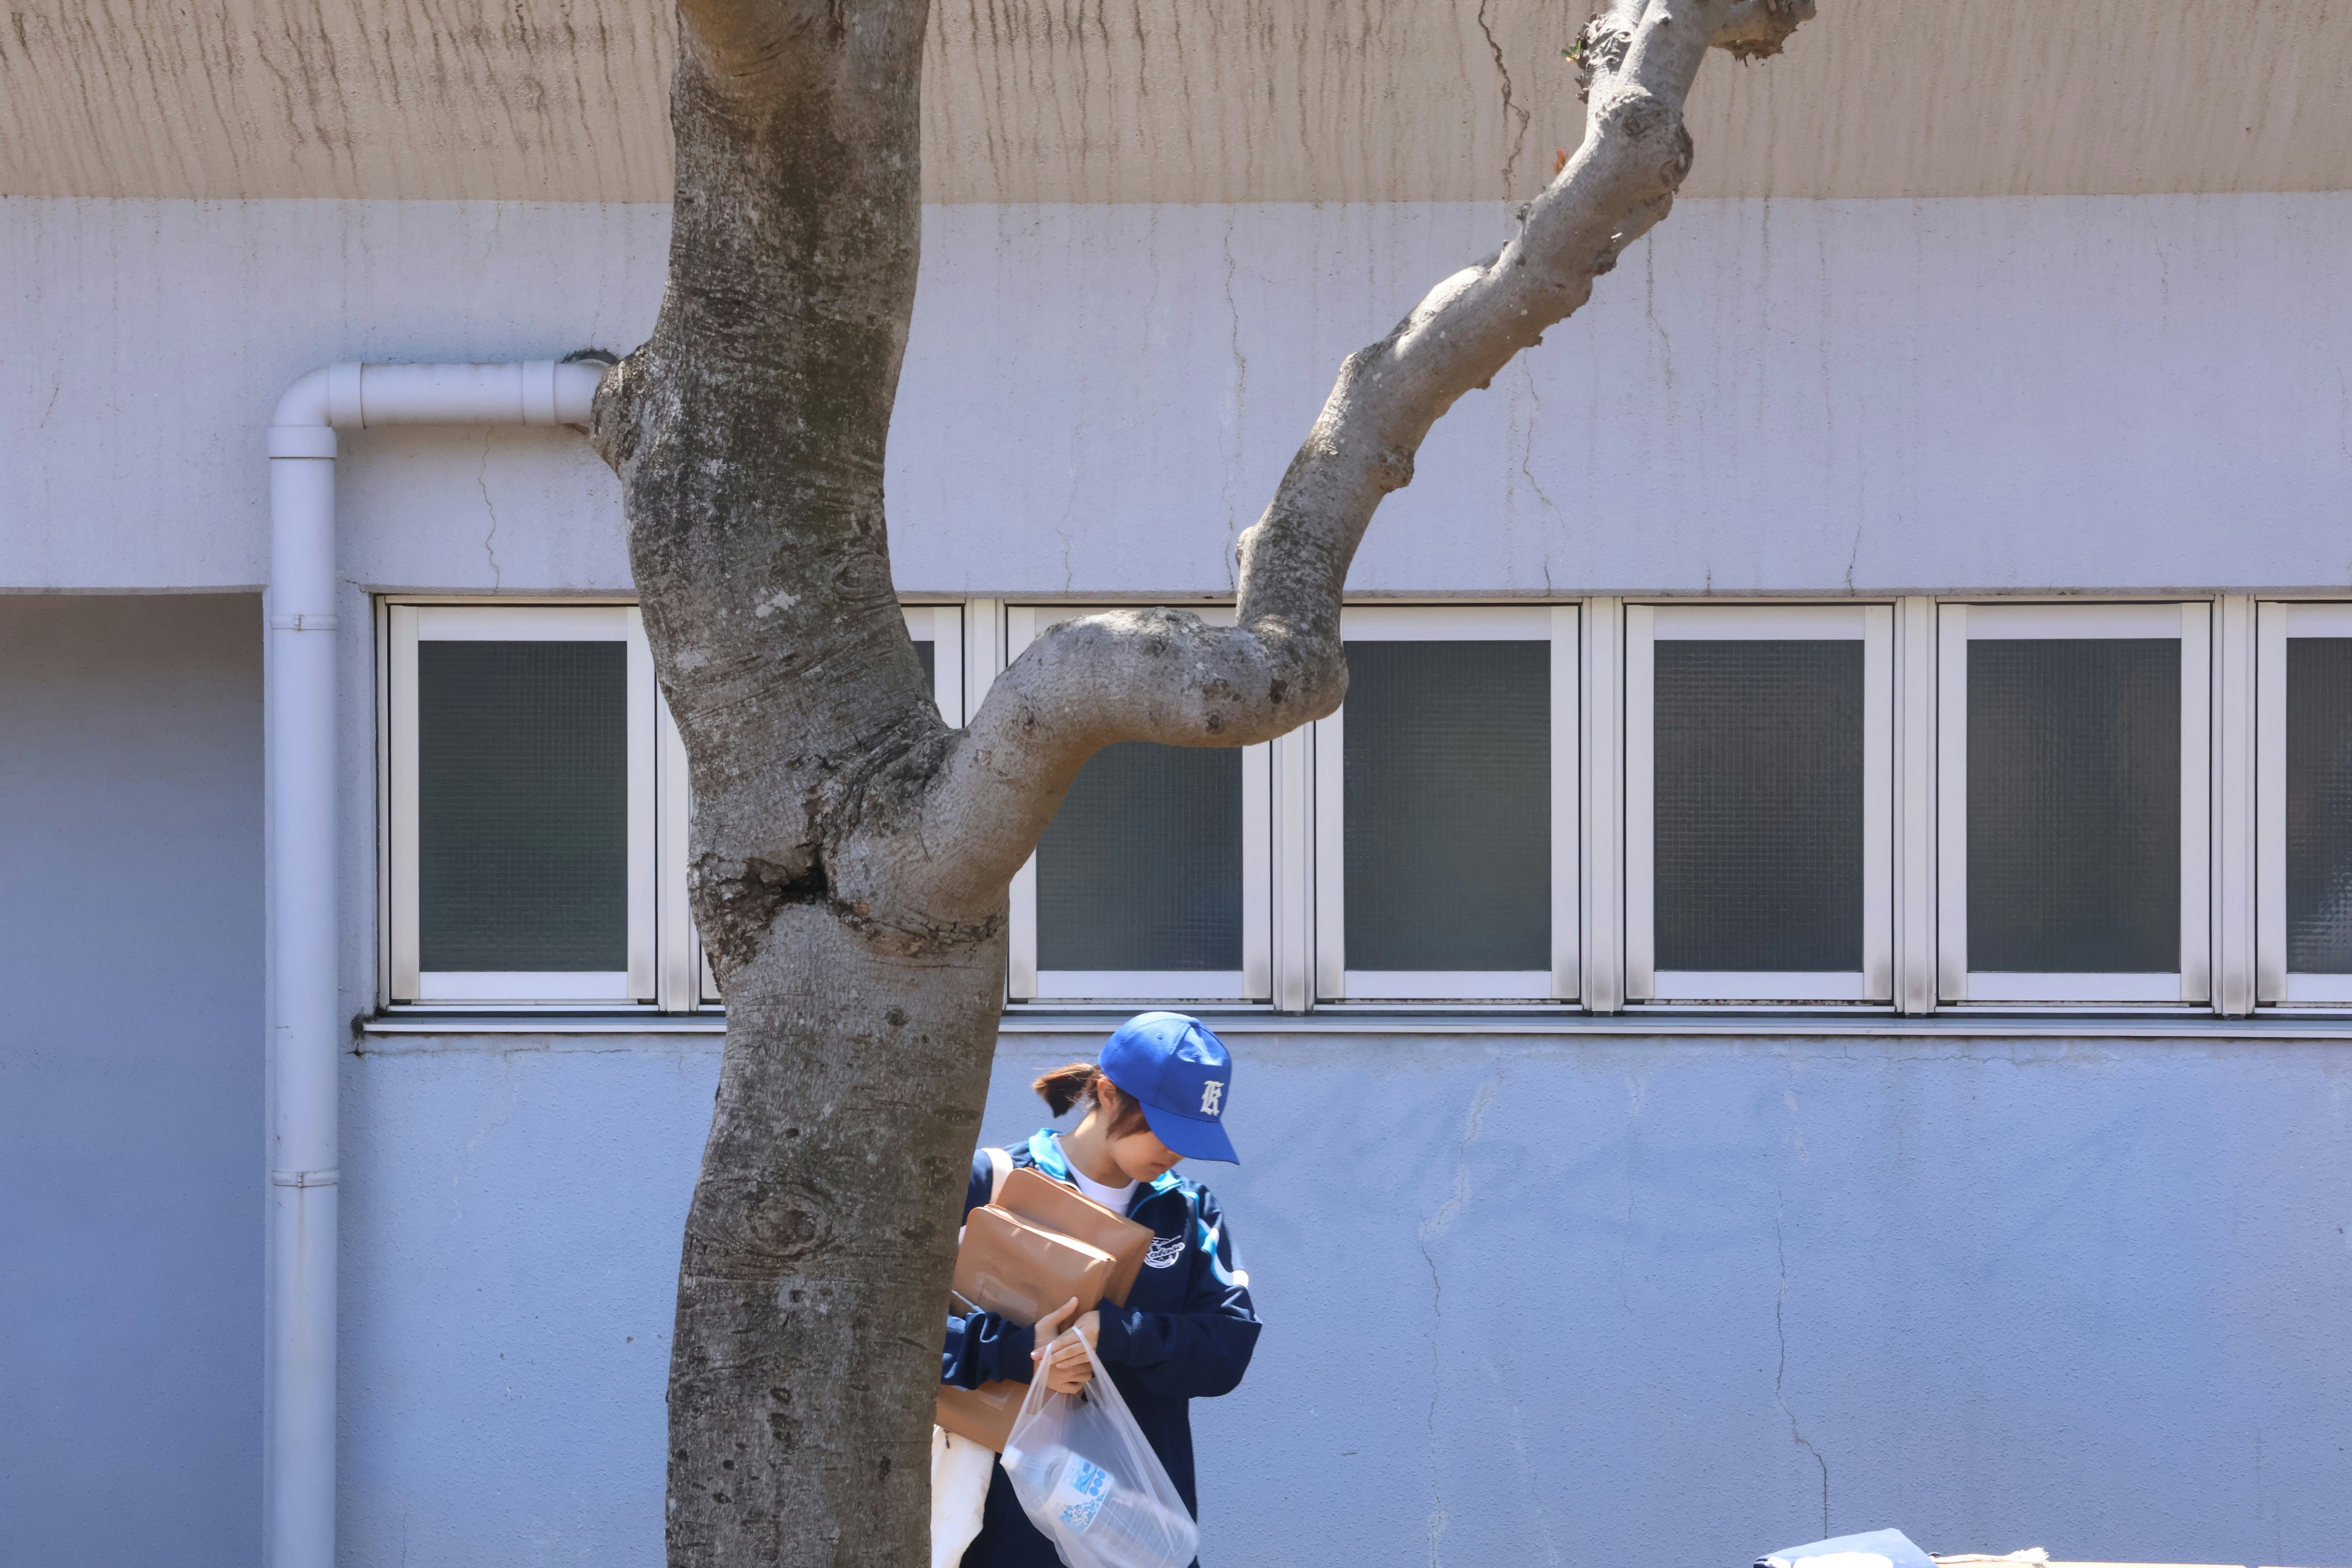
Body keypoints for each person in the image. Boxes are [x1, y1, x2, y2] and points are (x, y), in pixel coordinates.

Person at [940, 1011, 1259, 1567]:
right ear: (1109, 1094)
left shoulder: (1188, 1211)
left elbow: (1226, 1351)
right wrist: (1018, 1352)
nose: (1177, 1151)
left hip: (1131, 1529)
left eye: (1192, 1135)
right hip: (995, 1530)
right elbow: (892, 1335)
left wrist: (1119, 1334)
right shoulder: (990, 1183)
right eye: (1166, 1128)